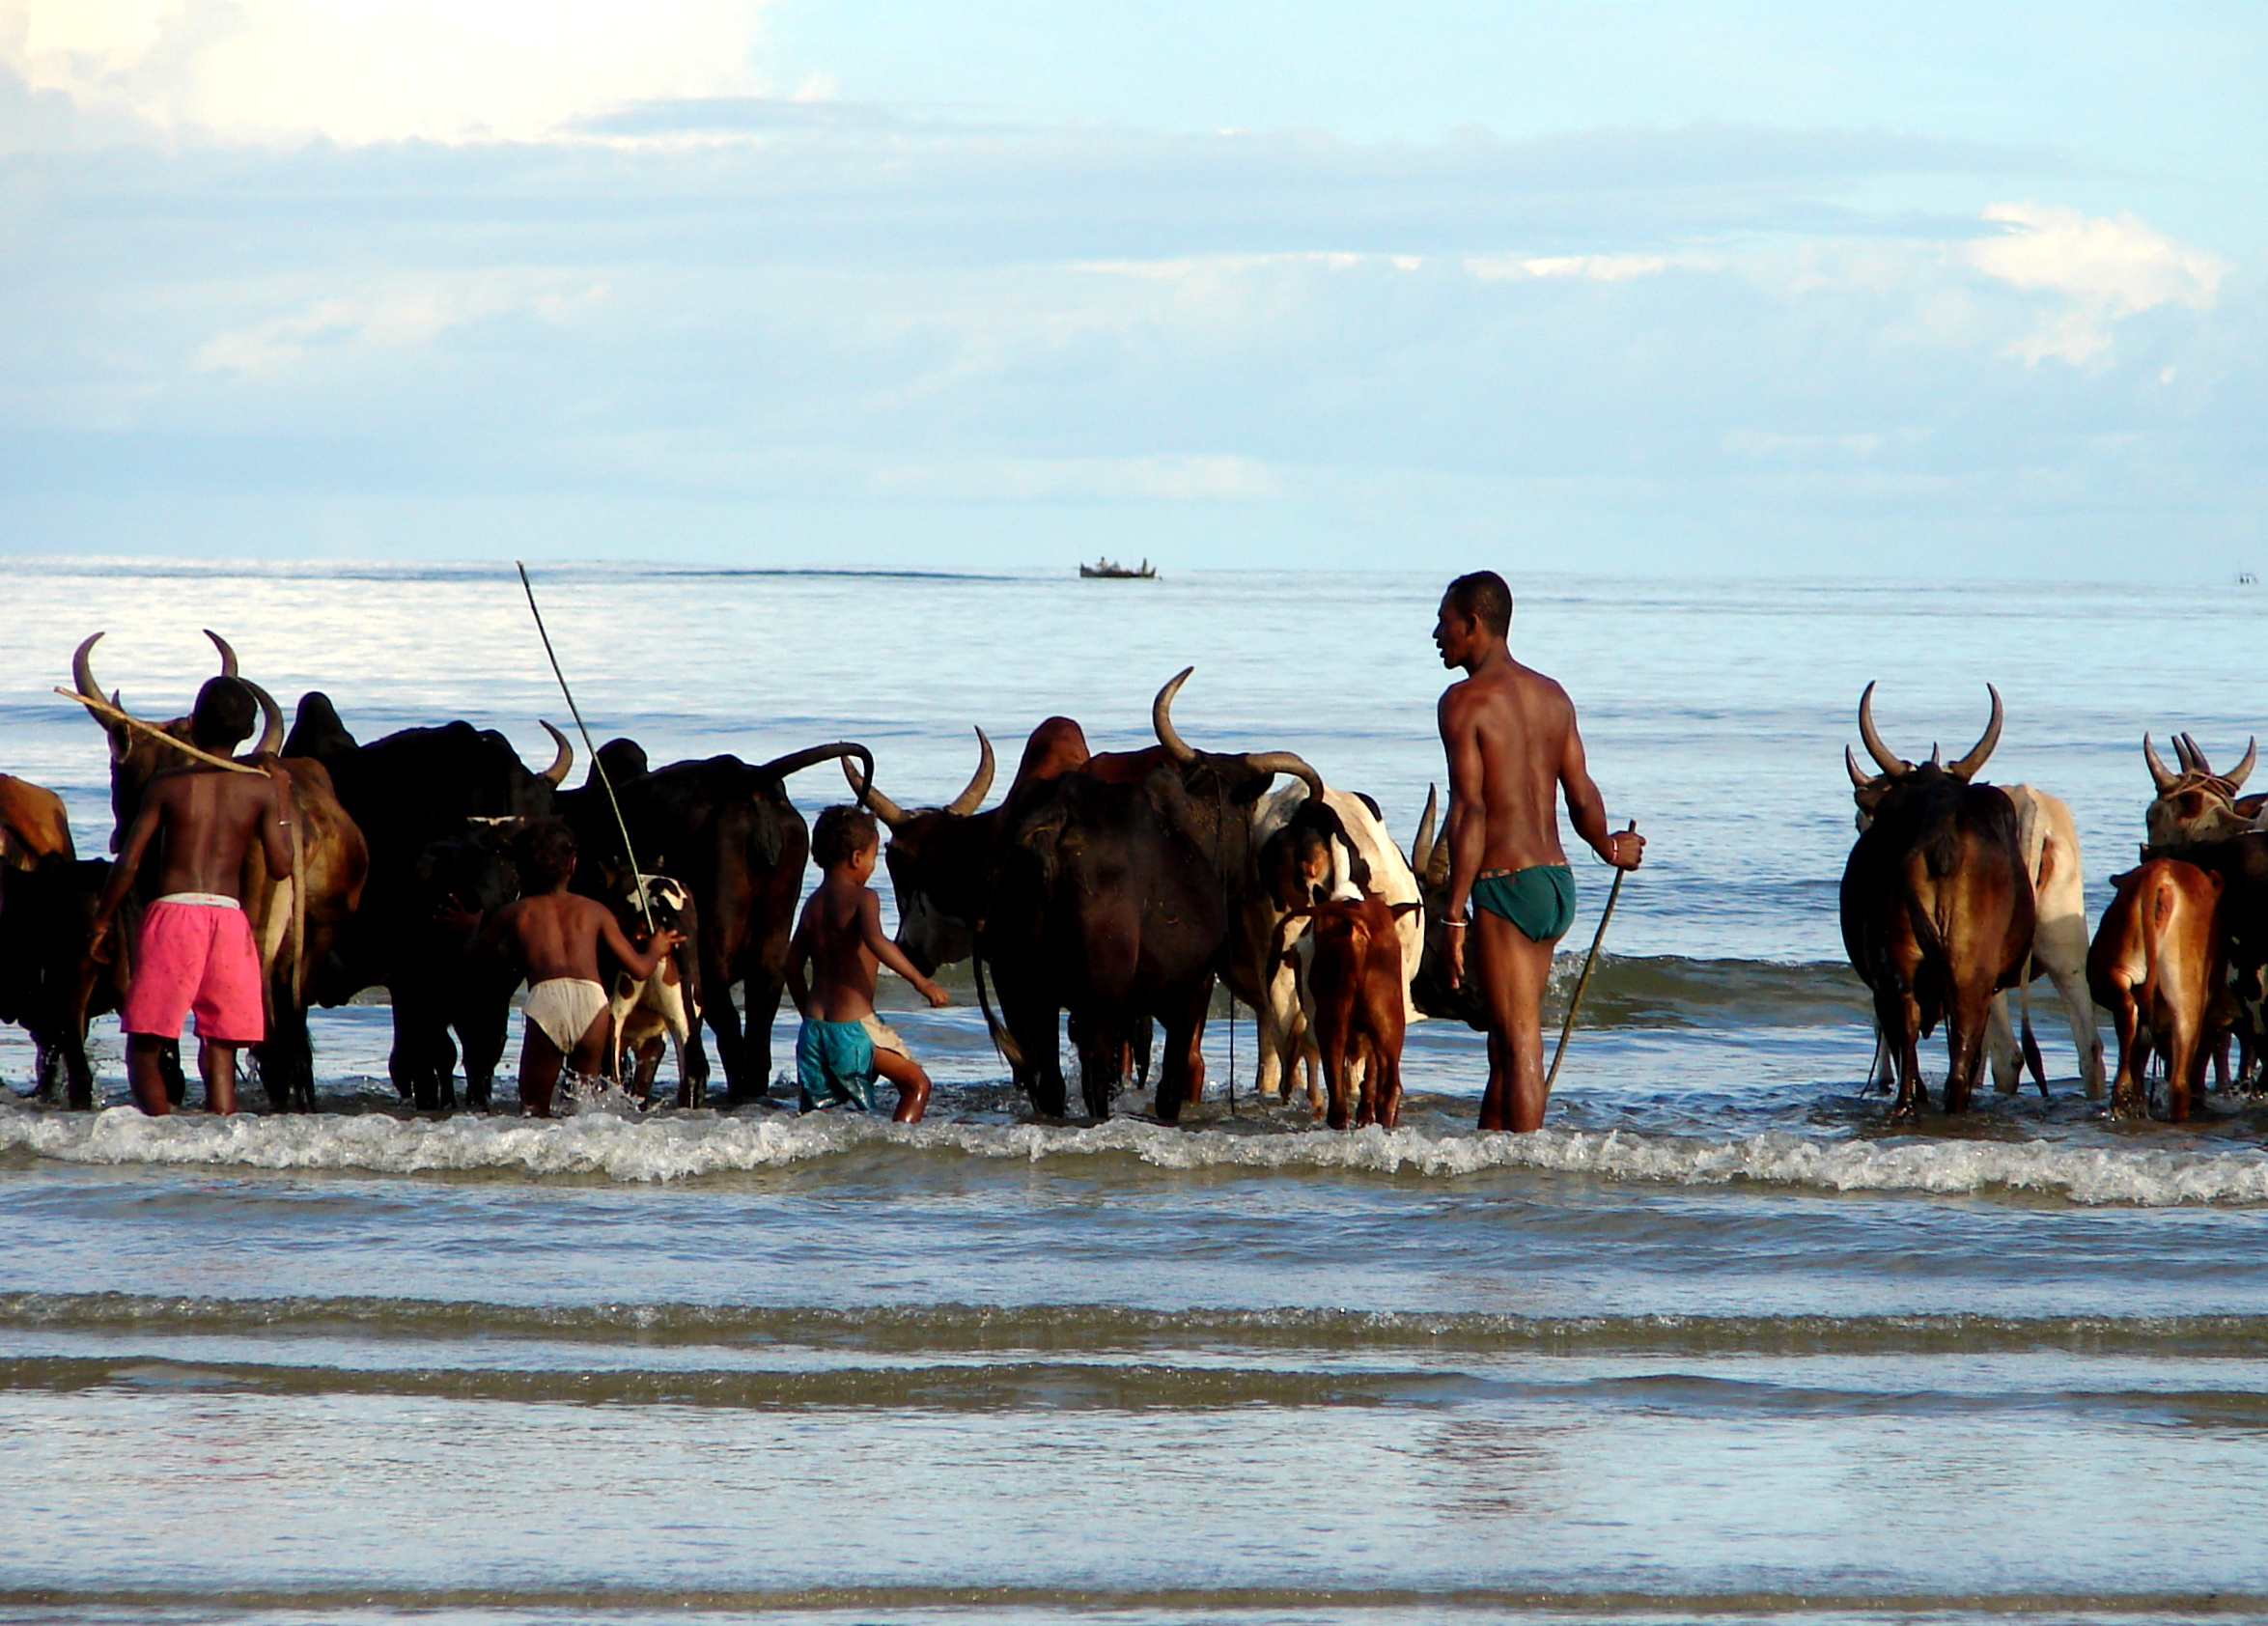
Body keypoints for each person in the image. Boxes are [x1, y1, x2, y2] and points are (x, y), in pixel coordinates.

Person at [1435, 570, 1644, 1131]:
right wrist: (1608, 846)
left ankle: (1529, 1171)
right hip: (1554, 883)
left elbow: (1470, 811)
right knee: (1503, 1043)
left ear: (1472, 624)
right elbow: (1581, 791)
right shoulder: (1552, 695)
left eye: (1443, 621)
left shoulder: (1463, 702)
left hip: (1506, 884)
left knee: (1520, 1040)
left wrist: (1453, 914)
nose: (1436, 634)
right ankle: (1491, 1160)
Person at [90, 676, 294, 1116]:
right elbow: (281, 866)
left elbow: (128, 862)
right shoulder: (260, 789)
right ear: (248, 732)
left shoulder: (167, 785)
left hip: (173, 915)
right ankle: (220, 1134)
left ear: (193, 724)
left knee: (145, 1045)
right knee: (220, 1049)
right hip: (229, 921)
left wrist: (102, 921)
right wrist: (280, 798)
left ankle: (161, 1134)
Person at [442, 821, 683, 1117]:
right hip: (593, 1005)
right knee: (584, 1109)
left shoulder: (515, 912)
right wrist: (657, 948)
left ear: (519, 870)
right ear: (573, 863)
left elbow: (471, 957)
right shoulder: (595, 911)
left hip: (548, 1002)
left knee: (534, 1109)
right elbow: (640, 969)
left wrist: (470, 929)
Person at [786, 805, 948, 1122]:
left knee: (813, 1115)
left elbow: (792, 967)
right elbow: (877, 941)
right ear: (857, 858)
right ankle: (899, 1144)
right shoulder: (864, 897)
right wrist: (922, 982)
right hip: (853, 1029)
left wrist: (811, 1018)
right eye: (874, 856)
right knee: (916, 1085)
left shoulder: (813, 904)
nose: (873, 866)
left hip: (813, 1031)